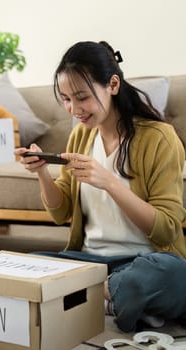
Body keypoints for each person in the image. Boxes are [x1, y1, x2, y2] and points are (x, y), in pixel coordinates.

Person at [15, 41, 186, 332]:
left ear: (113, 84)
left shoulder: (159, 138)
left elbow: (167, 228)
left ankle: (98, 295)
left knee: (173, 274)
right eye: (66, 99)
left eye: (82, 97)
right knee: (26, 267)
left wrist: (109, 182)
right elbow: (61, 214)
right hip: (88, 261)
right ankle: (119, 300)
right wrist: (42, 173)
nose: (74, 109)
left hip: (144, 260)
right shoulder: (81, 137)